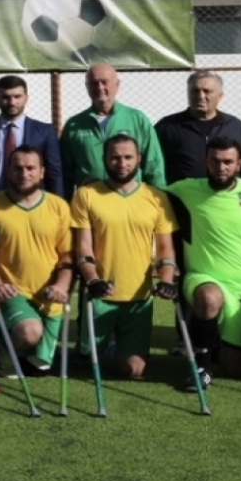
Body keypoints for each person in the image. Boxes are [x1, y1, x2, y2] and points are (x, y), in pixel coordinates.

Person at [72, 135, 179, 379]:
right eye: (115, 157)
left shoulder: (156, 198)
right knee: (88, 365)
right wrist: (92, 280)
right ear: (105, 159)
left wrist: (167, 279)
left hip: (138, 297)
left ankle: (114, 348)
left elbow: (166, 250)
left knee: (133, 370)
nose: (122, 163)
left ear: (139, 159)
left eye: (128, 157)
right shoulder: (86, 195)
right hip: (100, 294)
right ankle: (97, 348)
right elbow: (83, 248)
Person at [166, 137, 241, 387]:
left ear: (239, 164)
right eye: (214, 161)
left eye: (227, 162)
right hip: (203, 277)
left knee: (236, 369)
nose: (220, 167)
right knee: (209, 297)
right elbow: (147, 196)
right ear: (206, 162)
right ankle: (202, 368)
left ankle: (216, 344)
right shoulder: (185, 189)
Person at [0, 146, 72, 376]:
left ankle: (17, 342)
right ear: (8, 171)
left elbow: (68, 257)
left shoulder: (59, 207)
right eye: (18, 168)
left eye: (31, 168)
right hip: (12, 292)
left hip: (49, 295)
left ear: (42, 172)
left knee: (40, 365)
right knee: (30, 332)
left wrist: (61, 286)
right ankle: (0, 350)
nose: (24, 173)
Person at [61, 63, 166, 193]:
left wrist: (160, 199)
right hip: (91, 201)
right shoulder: (74, 125)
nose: (100, 87)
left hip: (130, 199)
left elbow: (153, 166)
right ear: (87, 87)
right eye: (94, 83)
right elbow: (65, 172)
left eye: (104, 82)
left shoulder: (137, 119)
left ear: (117, 85)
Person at [0, 75, 64, 206]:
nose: (12, 102)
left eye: (17, 97)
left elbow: (54, 172)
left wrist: (57, 205)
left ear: (26, 98)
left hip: (32, 203)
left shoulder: (44, 131)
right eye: (6, 97)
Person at [154, 70, 241, 184]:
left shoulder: (235, 127)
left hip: (225, 197)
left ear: (220, 96)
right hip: (181, 197)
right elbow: (154, 164)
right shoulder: (167, 127)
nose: (200, 96)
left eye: (207, 91)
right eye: (195, 91)